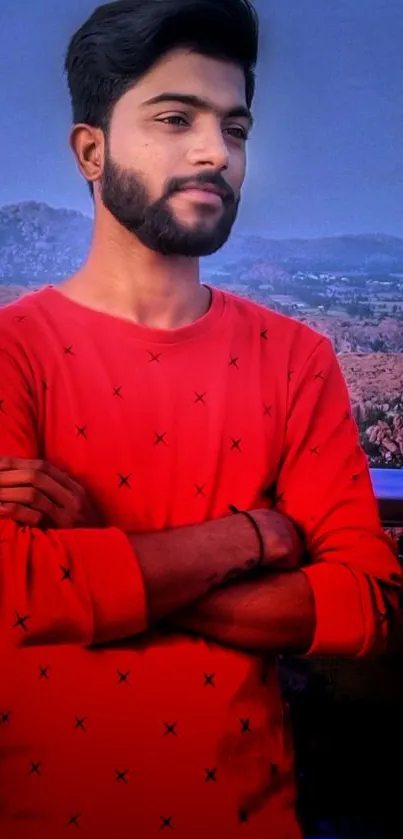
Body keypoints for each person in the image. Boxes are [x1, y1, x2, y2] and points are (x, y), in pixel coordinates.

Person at [0, 1, 400, 837]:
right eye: (174, 118)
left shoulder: (295, 358)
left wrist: (96, 552)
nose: (215, 152)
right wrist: (246, 538)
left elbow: (365, 605)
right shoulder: (12, 353)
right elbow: (16, 594)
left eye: (234, 127)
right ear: (90, 148)